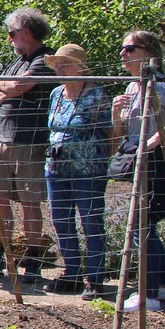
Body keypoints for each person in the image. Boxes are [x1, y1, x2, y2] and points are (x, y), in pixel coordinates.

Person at [112, 31, 165, 312]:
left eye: (130, 49)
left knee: (140, 224)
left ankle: (147, 297)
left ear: (148, 52)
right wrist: (116, 113)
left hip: (155, 161)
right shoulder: (132, 86)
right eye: (123, 48)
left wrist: (154, 141)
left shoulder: (156, 83)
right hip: (139, 160)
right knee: (143, 223)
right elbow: (122, 132)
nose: (123, 54)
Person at [0, 7, 55, 283]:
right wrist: (7, 87)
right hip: (5, 141)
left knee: (29, 203)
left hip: (30, 143)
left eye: (12, 33)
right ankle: (0, 257)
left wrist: (7, 88)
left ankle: (33, 262)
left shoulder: (44, 59)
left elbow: (21, 85)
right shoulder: (15, 62)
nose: (9, 39)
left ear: (27, 32)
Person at [40, 44, 112, 298]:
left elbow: (110, 133)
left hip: (88, 170)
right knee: (61, 220)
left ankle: (95, 279)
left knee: (91, 221)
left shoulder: (97, 96)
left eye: (65, 64)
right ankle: (71, 274)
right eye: (57, 64)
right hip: (55, 168)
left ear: (81, 67)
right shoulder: (56, 94)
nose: (59, 69)